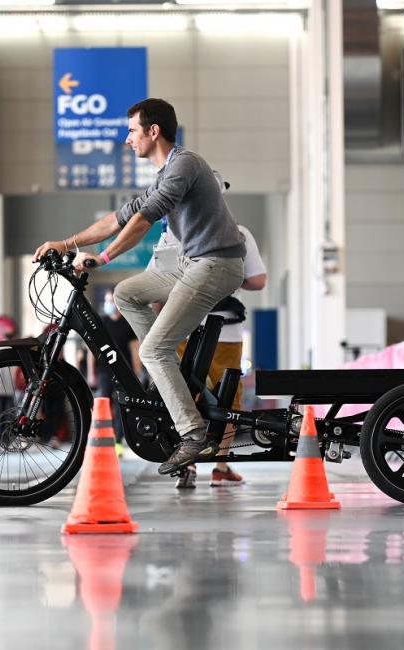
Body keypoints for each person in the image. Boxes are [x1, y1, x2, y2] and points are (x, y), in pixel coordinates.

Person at [34, 98, 246, 474]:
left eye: (132, 130)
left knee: (153, 349)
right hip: (190, 263)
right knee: (127, 294)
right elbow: (120, 218)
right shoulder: (165, 173)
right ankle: (172, 381)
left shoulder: (185, 164)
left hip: (215, 264)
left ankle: (193, 433)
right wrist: (66, 244)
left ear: (153, 131)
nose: (126, 139)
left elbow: (144, 221)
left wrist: (103, 258)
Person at [159, 222, 267, 488]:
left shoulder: (172, 234)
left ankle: (187, 463)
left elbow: (156, 286)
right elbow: (258, 280)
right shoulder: (238, 231)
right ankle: (220, 466)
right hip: (225, 330)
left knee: (183, 394)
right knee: (228, 396)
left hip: (183, 326)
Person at [94, 290, 141, 457]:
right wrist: (92, 373)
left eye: (112, 301)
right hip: (104, 371)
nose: (110, 304)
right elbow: (92, 348)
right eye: (107, 301)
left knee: (122, 407)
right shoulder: (102, 322)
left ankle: (118, 441)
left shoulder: (127, 323)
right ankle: (101, 439)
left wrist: (137, 371)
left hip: (124, 371)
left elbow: (134, 348)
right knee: (103, 404)